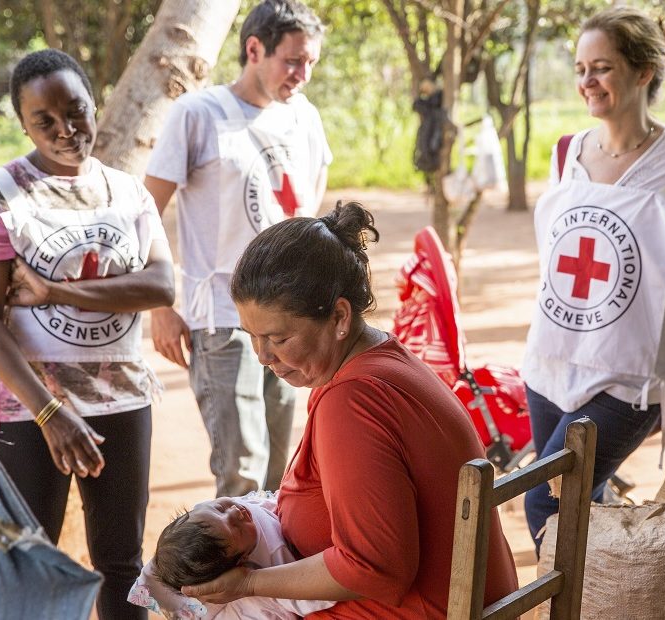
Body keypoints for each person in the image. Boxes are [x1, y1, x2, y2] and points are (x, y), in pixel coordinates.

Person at [178, 201, 518, 616]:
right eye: (251, 336)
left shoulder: (354, 400)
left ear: (340, 316)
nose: (263, 356)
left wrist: (248, 583)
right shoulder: (375, 361)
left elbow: (374, 569)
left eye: (279, 339)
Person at [0, 48, 175, 619]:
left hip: (122, 398)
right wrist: (49, 413)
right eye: (45, 121)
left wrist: (57, 292)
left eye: (75, 111)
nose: (66, 130)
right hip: (28, 408)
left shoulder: (127, 191)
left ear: (93, 102)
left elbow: (160, 286)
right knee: (30, 563)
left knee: (123, 565)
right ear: (24, 123)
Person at [522, 5, 665, 551]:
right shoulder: (568, 152)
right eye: (581, 69)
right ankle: (597, 600)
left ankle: (559, 605)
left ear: (643, 72)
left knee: (545, 497)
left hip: (625, 381)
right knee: (588, 499)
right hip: (552, 364)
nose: (587, 82)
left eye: (601, 68)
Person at [143, 0, 332, 498]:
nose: (303, 74)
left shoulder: (305, 119)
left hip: (291, 321)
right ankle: (233, 577)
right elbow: (146, 209)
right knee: (242, 469)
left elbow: (309, 215)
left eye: (310, 62)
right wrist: (161, 305)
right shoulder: (199, 115)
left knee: (281, 476)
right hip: (224, 320)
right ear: (254, 49)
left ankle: (274, 574)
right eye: (292, 61)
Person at [127, 493, 336, 618]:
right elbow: (313, 596)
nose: (235, 512)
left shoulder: (216, 518)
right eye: (237, 528)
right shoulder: (272, 560)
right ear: (242, 560)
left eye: (220, 508)